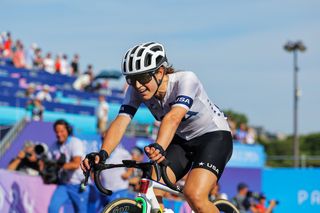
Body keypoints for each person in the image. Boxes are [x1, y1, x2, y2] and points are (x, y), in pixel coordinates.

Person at [81, 42, 233, 213]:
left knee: (194, 194)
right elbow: (121, 121)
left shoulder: (186, 80)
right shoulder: (135, 90)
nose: (138, 85)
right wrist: (102, 154)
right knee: (150, 188)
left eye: (143, 78)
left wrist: (159, 146)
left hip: (213, 137)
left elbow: (174, 117)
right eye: (131, 79)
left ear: (160, 72)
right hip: (182, 140)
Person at [48, 119, 89, 213]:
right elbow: (47, 162)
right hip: (64, 184)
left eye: (61, 131)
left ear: (68, 131)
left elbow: (76, 164)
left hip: (79, 184)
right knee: (52, 209)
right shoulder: (54, 146)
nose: (59, 134)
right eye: (57, 132)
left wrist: (56, 166)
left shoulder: (75, 142)